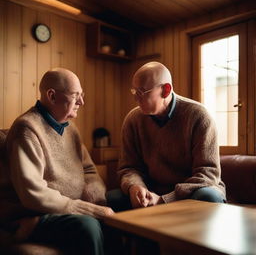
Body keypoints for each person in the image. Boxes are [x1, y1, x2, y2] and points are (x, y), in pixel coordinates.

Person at [0, 68, 114, 255]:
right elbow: (33, 193)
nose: (81, 102)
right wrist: (85, 210)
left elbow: (89, 170)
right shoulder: (27, 129)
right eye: (75, 95)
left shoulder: (70, 128)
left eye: (82, 95)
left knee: (116, 207)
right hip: (34, 215)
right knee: (88, 225)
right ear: (52, 96)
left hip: (65, 210)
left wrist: (95, 198)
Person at [117, 61, 226, 209]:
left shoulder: (199, 116)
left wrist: (165, 199)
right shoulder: (133, 119)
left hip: (194, 190)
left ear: (166, 90)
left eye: (141, 92)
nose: (136, 98)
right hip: (152, 191)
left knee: (207, 196)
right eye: (134, 91)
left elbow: (208, 175)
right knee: (113, 198)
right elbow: (128, 168)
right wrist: (135, 187)